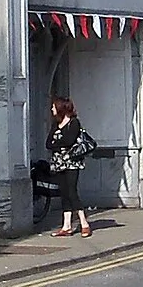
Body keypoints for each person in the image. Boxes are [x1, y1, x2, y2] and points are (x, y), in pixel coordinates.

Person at [45, 95, 97, 238]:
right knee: (64, 193)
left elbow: (69, 141)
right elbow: (48, 143)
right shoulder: (56, 124)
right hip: (58, 164)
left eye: (54, 106)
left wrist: (59, 143)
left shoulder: (74, 123)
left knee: (72, 192)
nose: (52, 109)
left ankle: (84, 223)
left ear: (61, 108)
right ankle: (66, 226)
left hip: (72, 163)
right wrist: (60, 143)